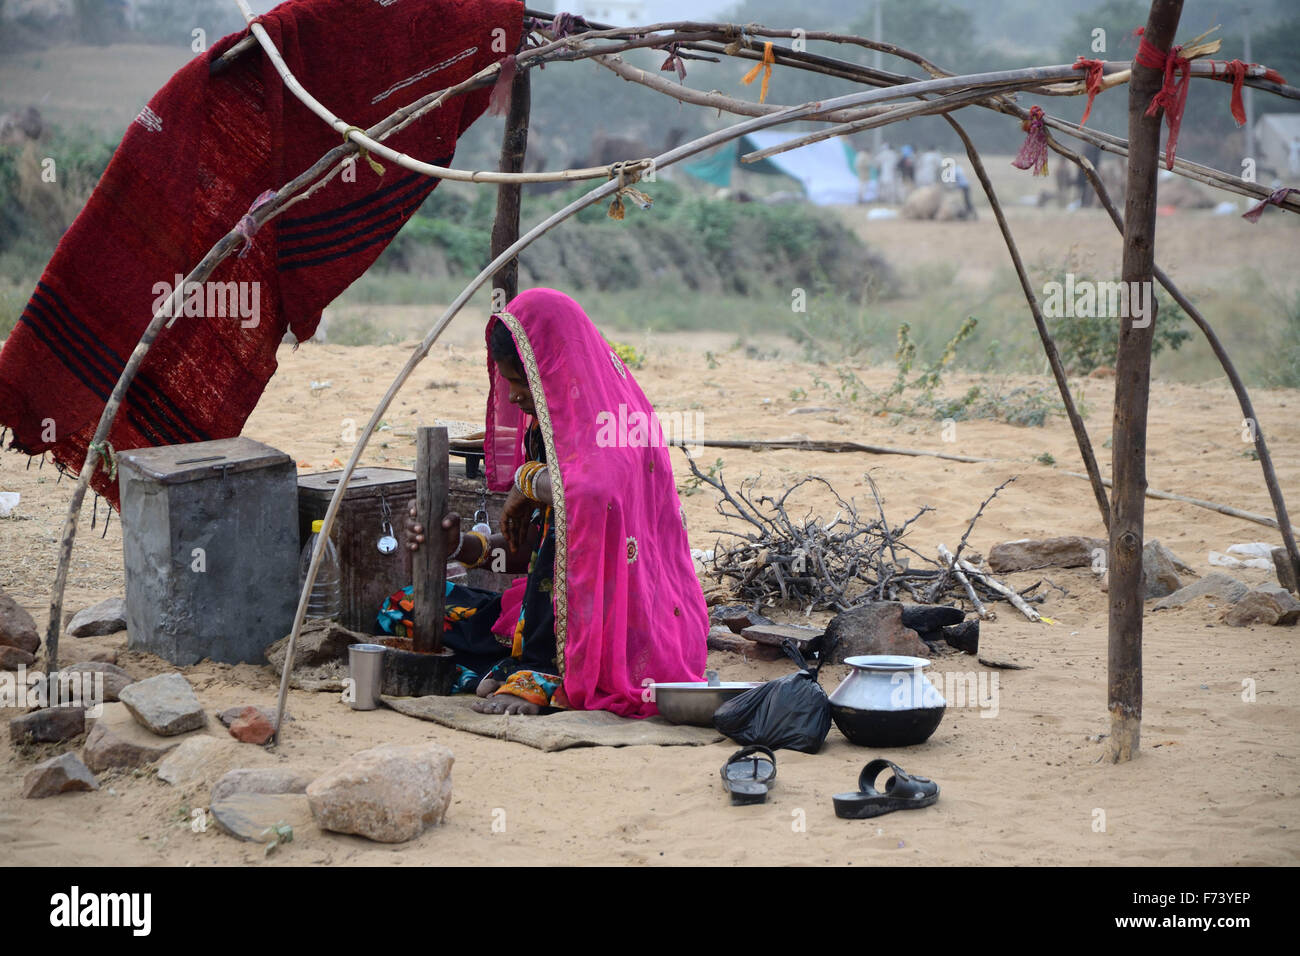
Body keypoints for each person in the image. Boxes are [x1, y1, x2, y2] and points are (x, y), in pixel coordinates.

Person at [400, 288, 708, 716]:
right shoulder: (546, 432)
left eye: (520, 382)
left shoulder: (616, 427)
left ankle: (543, 670)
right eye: (507, 382)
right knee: (404, 608)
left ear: (555, 371)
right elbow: (536, 555)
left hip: (621, 624)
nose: (512, 398)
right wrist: (458, 546)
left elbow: (588, 494)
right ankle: (528, 661)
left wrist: (526, 481)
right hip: (549, 607)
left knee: (477, 651)